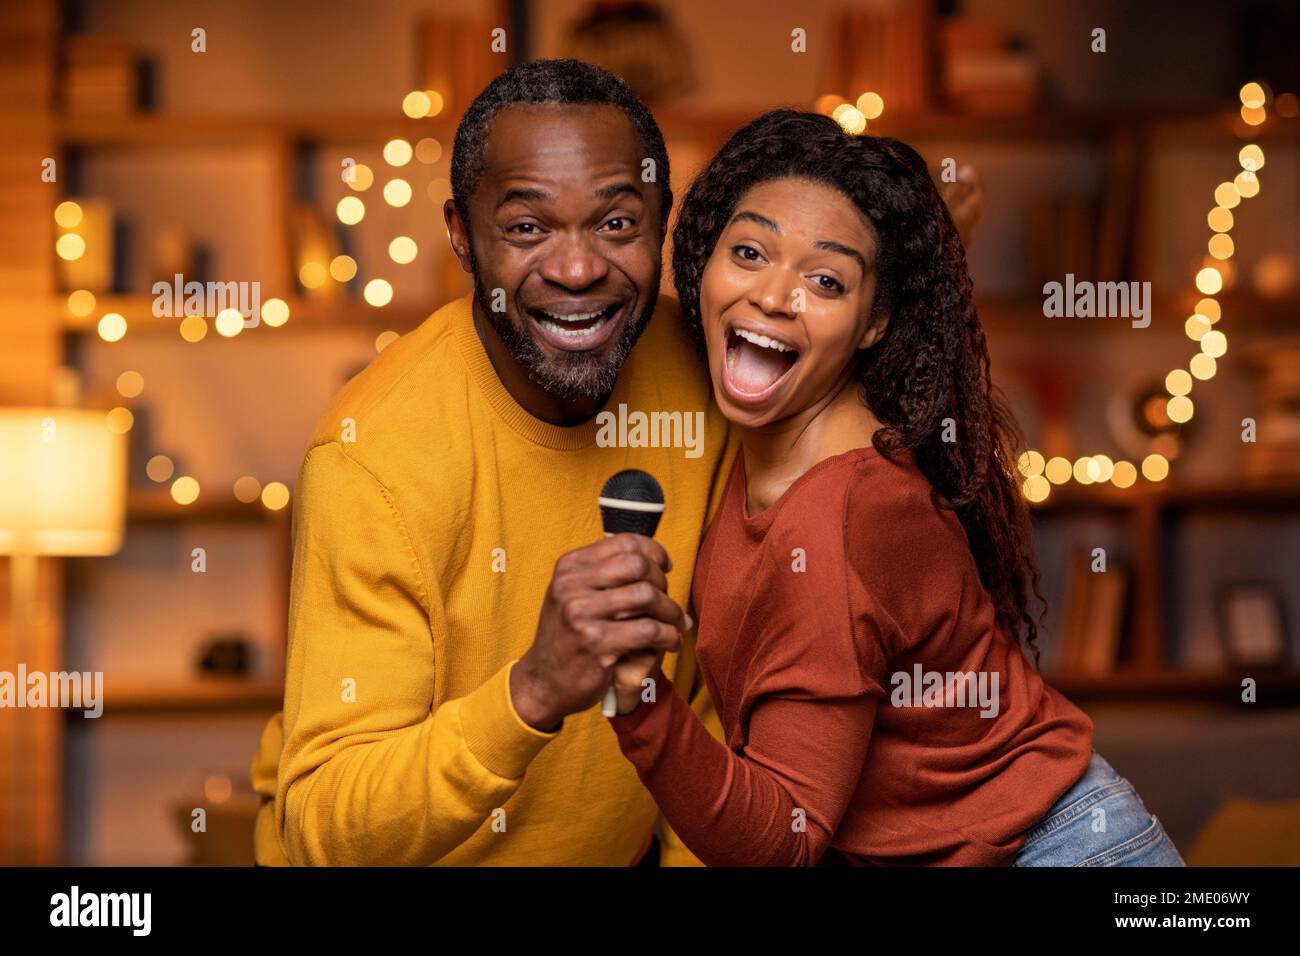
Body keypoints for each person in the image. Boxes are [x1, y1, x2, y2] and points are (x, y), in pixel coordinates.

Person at [247, 60, 985, 866]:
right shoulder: (372, 458)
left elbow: (714, 702)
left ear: (665, 224)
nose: (576, 270)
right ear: (462, 234)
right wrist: (531, 690)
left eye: (616, 225)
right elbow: (320, 830)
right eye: (527, 228)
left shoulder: (709, 369)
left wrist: (922, 252)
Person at [606, 109, 1186, 867]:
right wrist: (942, 237)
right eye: (748, 252)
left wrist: (638, 697)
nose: (775, 296)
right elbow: (912, 314)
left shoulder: (834, 527)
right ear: (703, 260)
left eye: (824, 279)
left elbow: (780, 844)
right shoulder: (820, 406)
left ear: (873, 320)